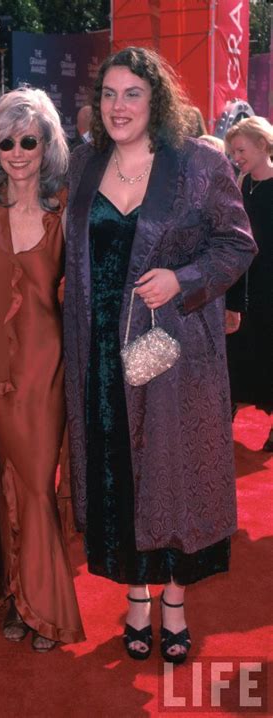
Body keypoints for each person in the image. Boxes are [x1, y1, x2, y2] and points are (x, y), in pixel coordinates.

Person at [63, 47, 256, 664]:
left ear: (157, 99)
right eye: (109, 95)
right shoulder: (85, 162)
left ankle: (173, 599)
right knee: (119, 468)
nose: (118, 107)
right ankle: (136, 594)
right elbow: (23, 185)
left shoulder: (199, 162)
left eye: (133, 94)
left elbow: (237, 243)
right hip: (99, 353)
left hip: (174, 349)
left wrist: (185, 277)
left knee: (170, 472)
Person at [0, 88, 85, 653]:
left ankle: (44, 607)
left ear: (49, 142)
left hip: (43, 365)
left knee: (33, 483)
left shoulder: (67, 205)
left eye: (29, 139)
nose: (17, 151)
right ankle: (13, 594)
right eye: (5, 140)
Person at [225, 116, 273, 451]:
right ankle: (222, 418)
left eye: (241, 149)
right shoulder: (241, 184)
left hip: (270, 285)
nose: (236, 156)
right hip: (244, 285)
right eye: (233, 151)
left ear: (262, 145)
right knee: (238, 350)